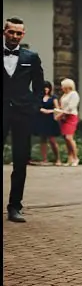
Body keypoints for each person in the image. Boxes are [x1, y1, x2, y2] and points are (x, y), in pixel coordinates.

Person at [3, 17, 44, 222]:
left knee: (20, 160)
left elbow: (39, 86)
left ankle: (15, 207)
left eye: (19, 33)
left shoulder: (31, 57)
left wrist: (34, 107)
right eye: (11, 32)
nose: (15, 36)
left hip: (22, 113)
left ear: (23, 35)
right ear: (4, 32)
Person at [53, 78, 81, 167]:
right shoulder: (64, 95)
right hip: (64, 117)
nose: (61, 88)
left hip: (71, 116)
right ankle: (70, 158)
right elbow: (62, 106)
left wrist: (60, 114)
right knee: (66, 138)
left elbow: (70, 107)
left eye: (63, 86)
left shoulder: (74, 94)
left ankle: (76, 157)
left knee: (69, 137)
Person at [34, 80, 62, 166]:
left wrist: (49, 111)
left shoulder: (53, 98)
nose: (46, 89)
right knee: (42, 139)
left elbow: (57, 108)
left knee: (52, 140)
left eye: (47, 88)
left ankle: (58, 159)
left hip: (50, 120)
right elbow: (36, 106)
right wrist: (42, 110)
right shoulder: (39, 97)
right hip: (41, 119)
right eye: (44, 88)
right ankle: (44, 159)